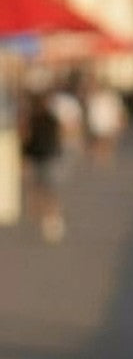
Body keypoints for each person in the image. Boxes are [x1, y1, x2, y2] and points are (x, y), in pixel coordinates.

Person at [19, 88, 67, 243]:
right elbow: (60, 135)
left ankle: (48, 217)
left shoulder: (34, 119)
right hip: (47, 156)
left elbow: (25, 138)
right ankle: (49, 217)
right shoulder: (48, 118)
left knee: (42, 188)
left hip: (41, 156)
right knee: (46, 189)